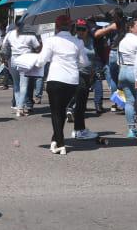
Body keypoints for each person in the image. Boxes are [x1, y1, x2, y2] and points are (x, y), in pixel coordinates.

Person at [36, 14, 90, 155]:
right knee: (61, 111)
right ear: (71, 26)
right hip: (72, 80)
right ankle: (55, 139)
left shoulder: (51, 41)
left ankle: (60, 143)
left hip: (55, 78)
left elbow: (42, 60)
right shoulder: (77, 42)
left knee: (56, 112)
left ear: (57, 26)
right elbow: (84, 62)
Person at [6, 15, 43, 116]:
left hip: (13, 60)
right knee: (23, 85)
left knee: (16, 85)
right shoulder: (30, 34)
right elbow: (38, 48)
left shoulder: (10, 34)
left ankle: (19, 106)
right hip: (25, 60)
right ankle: (20, 108)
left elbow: (4, 45)